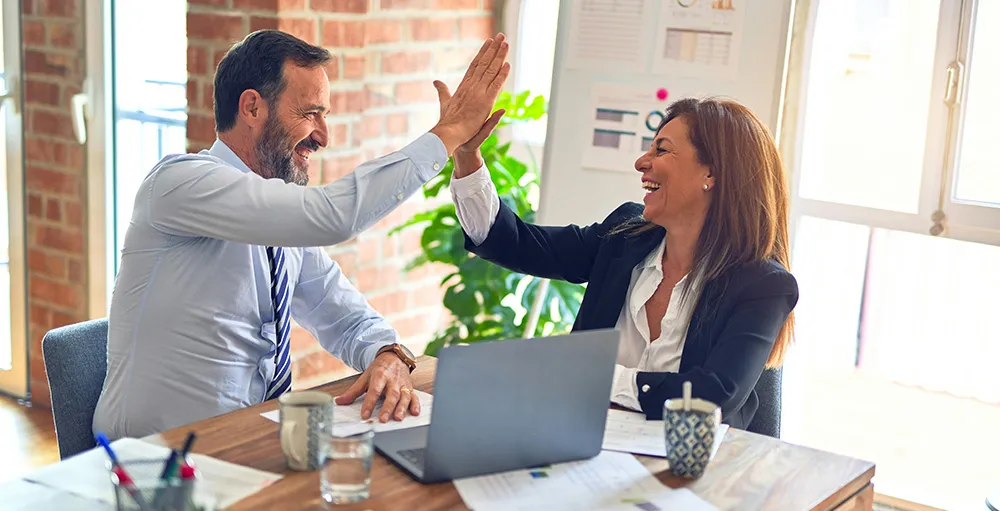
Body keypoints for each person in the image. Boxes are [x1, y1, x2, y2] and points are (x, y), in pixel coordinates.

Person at [93, 29, 510, 440]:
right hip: (152, 461)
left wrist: (388, 353)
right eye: (311, 114)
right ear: (252, 108)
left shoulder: (279, 222)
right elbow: (333, 216)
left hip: (246, 444)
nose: (323, 136)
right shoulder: (180, 183)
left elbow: (342, 313)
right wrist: (449, 133)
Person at [449, 97, 798, 429]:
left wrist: (594, 376)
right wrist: (467, 155)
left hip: (691, 464)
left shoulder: (763, 286)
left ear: (712, 173)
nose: (641, 162)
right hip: (582, 442)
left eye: (661, 150)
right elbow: (516, 243)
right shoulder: (625, 236)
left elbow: (712, 397)